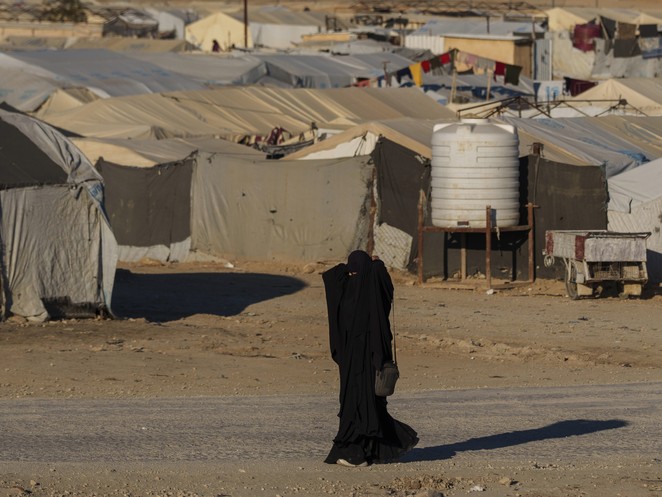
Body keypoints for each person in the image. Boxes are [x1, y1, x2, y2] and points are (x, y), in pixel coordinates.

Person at [322, 250, 418, 467]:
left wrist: (354, 267)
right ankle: (365, 451)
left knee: (355, 405)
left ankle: (355, 454)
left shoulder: (345, 291)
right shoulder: (374, 293)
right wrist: (377, 264)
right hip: (371, 360)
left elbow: (332, 276)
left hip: (352, 363)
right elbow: (384, 284)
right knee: (368, 405)